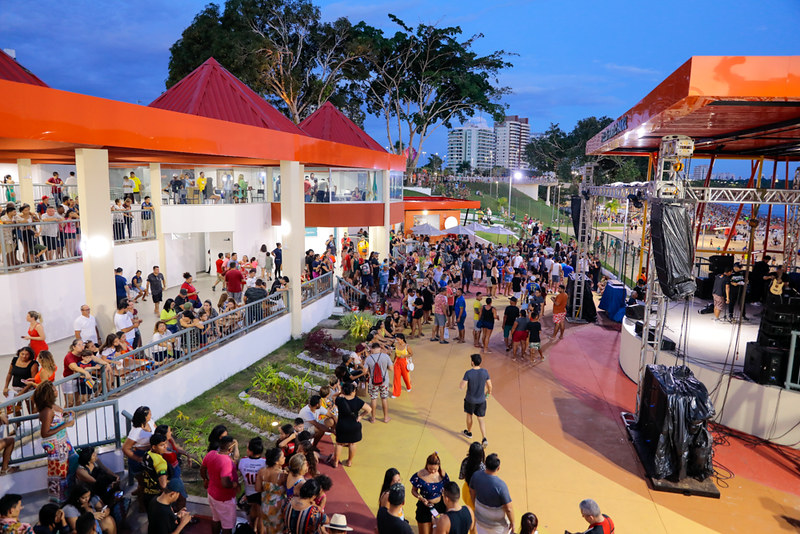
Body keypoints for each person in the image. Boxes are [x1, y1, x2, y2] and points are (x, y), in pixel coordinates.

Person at [33, 381, 76, 503]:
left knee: (67, 469)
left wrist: (68, 415)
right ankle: (59, 500)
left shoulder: (53, 407)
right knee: (59, 473)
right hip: (56, 446)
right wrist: (66, 424)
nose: (57, 391)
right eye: (54, 389)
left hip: (63, 443)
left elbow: (59, 418)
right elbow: (45, 432)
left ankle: (66, 496)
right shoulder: (47, 410)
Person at [201, 435, 240, 534]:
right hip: (224, 499)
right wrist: (235, 484)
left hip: (212, 494)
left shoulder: (211, 453)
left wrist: (205, 479)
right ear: (230, 449)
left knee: (216, 518)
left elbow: (202, 468)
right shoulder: (226, 461)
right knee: (227, 526)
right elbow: (225, 483)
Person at [469, 454, 513, 534]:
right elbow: (509, 509)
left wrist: (475, 505)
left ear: (485, 464)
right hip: (497, 528)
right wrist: (513, 523)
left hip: (480, 522)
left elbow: (472, 492)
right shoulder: (501, 486)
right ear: (498, 468)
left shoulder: (476, 476)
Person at [410, 452, 450, 534]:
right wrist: (420, 498)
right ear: (426, 465)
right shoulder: (420, 474)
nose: (432, 471)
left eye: (435, 469)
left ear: (439, 466)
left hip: (440, 508)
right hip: (425, 508)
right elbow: (414, 490)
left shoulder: (442, 474)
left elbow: (448, 489)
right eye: (430, 469)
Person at [333, 382, 370, 467]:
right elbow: (369, 409)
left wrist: (340, 392)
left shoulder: (340, 400)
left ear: (344, 391)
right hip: (354, 425)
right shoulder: (358, 401)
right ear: (353, 391)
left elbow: (333, 397)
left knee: (339, 443)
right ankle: (349, 461)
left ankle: (335, 462)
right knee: (352, 443)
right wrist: (360, 416)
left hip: (342, 425)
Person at [460, 354, 491, 448]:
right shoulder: (485, 372)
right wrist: (488, 394)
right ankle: (484, 437)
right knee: (481, 418)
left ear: (472, 362)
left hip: (470, 399)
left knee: (469, 415)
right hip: (481, 400)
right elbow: (490, 386)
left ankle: (469, 432)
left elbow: (461, 386)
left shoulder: (468, 373)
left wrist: (462, 383)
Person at [256, 447, 287, 534]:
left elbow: (258, 488)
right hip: (277, 508)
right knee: (277, 530)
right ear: (277, 461)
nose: (285, 458)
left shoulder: (261, 472)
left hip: (265, 505)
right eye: (283, 457)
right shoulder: (282, 475)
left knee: (266, 527)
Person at [365, 343, 393, 423]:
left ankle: (373, 418)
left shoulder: (368, 358)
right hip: (384, 381)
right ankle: (386, 418)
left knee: (373, 398)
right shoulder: (385, 356)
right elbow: (391, 368)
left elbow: (364, 371)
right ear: (380, 348)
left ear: (372, 349)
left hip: (373, 382)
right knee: (384, 398)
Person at [457, 442, 484, 510]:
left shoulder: (465, 461)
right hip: (478, 494)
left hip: (466, 490)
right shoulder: (482, 467)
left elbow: (461, 476)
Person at [391, 334, 413, 398]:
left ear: (402, 339)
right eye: (396, 339)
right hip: (397, 362)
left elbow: (411, 353)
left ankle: (408, 386)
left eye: (398, 339)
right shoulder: (396, 345)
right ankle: (396, 393)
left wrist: (405, 356)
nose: (397, 341)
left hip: (404, 362)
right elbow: (395, 353)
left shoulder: (407, 346)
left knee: (405, 376)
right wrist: (393, 361)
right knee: (396, 377)